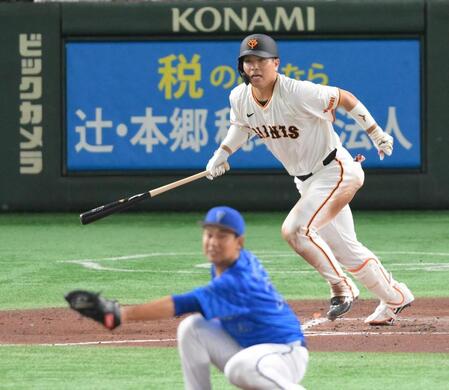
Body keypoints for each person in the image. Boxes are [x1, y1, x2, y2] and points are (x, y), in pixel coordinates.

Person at [206, 34, 414, 325]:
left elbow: (345, 98)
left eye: (260, 60)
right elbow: (241, 126)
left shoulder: (297, 92)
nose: (254, 67)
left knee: (296, 230)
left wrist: (376, 133)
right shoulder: (239, 97)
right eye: (248, 61)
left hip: (336, 170)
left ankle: (341, 287)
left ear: (275, 63)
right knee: (346, 251)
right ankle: (395, 297)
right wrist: (222, 153)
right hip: (306, 181)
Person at [66, 206, 309, 390]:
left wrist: (121, 314)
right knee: (192, 328)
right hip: (251, 349)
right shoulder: (232, 261)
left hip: (284, 354)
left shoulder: (236, 280)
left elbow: (181, 303)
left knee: (238, 368)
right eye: (209, 234)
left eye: (222, 236)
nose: (213, 242)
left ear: (239, 242)